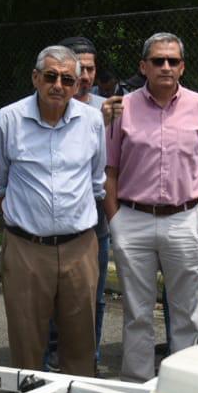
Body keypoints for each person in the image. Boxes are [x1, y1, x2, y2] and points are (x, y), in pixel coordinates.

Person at [105, 33, 198, 382]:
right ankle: (137, 384)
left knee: (186, 311)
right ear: (143, 66)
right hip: (133, 220)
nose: (165, 66)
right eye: (158, 60)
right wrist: (115, 219)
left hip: (184, 220)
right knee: (137, 312)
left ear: (182, 67)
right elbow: (110, 169)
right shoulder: (123, 108)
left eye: (172, 61)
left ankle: (183, 384)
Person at [0, 45, 105, 383]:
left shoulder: (92, 121)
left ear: (77, 84)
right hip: (26, 248)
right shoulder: (8, 120)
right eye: (51, 76)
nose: (58, 85)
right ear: (35, 78)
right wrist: (27, 223)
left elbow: (97, 182)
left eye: (67, 79)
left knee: (81, 340)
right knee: (26, 338)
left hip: (80, 246)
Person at [44, 36, 110, 373]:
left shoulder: (106, 110)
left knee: (91, 295)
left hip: (92, 220)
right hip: (47, 227)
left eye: (90, 69)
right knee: (51, 298)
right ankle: (52, 359)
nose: (84, 76)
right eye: (78, 69)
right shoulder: (43, 108)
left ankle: (89, 361)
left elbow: (104, 171)